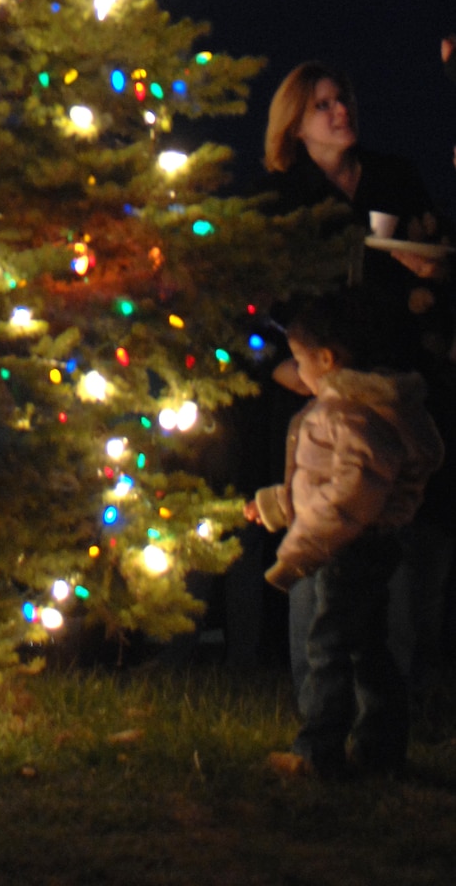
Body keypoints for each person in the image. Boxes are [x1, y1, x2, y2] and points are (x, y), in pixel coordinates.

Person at [261, 61, 455, 691]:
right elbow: (257, 302)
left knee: (397, 531)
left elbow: (439, 254)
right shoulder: (283, 202)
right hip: (329, 390)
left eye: (342, 99)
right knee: (322, 522)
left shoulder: (393, 178)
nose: (340, 111)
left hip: (398, 381)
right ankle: (316, 695)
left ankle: (394, 691)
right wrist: (285, 369)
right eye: (323, 105)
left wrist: (432, 273)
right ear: (295, 125)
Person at [247, 293, 443, 778]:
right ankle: (379, 746)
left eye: (299, 361)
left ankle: (319, 751)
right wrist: (277, 505)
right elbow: (325, 481)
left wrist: (299, 550)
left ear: (327, 360)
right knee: (364, 644)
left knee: (328, 647)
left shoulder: (350, 413)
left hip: (345, 548)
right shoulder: (359, 407)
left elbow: (351, 494)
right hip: (359, 541)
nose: (297, 371)